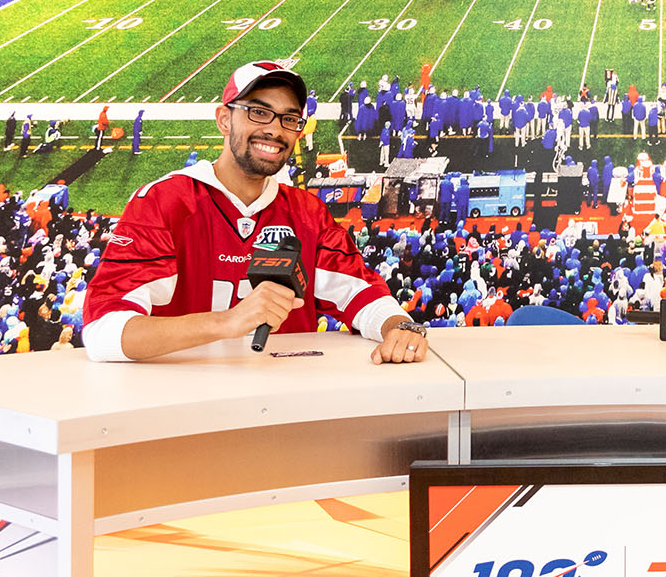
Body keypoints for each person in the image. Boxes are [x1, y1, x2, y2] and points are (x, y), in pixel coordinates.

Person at [82, 61, 430, 366]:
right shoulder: (164, 201)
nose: (275, 130)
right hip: (186, 404)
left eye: (289, 119)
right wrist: (227, 322)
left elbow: (361, 295)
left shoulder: (307, 211)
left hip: (285, 402)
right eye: (258, 112)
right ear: (224, 119)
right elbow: (103, 333)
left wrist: (399, 327)